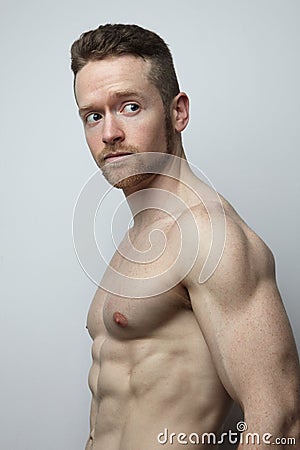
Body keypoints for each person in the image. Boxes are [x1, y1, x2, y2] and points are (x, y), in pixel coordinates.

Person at [70, 24, 300, 450]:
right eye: (94, 116)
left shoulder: (213, 236)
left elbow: (280, 423)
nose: (109, 134)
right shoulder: (140, 237)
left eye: (131, 107)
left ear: (178, 112)